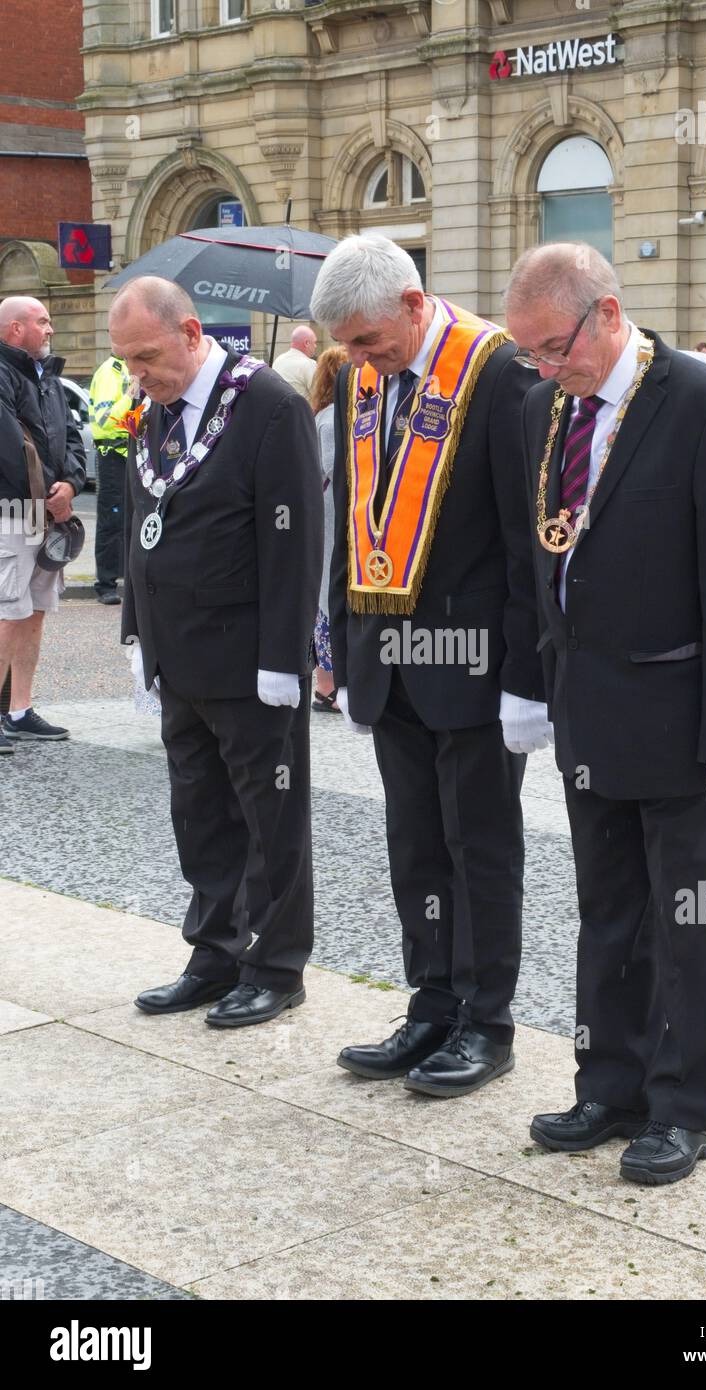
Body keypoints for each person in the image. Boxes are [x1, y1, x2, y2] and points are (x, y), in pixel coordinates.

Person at [504, 243, 706, 1186]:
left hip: (681, 708)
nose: (542, 367)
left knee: (689, 917)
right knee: (608, 911)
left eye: (552, 346)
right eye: (528, 353)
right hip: (588, 706)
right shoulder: (546, 409)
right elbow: (537, 561)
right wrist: (531, 689)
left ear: (607, 313)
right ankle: (608, 1084)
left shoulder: (704, 401)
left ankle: (685, 1109)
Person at [310, 235, 548, 1097]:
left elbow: (528, 544)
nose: (358, 361)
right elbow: (350, 524)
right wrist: (335, 646)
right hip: (389, 661)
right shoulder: (370, 374)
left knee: (477, 846)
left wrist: (529, 676)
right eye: (349, 349)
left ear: (413, 306)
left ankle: (487, 1022)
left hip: (477, 667)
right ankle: (432, 1002)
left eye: (369, 342)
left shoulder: (501, 372)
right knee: (414, 844)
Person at [111, 276, 323, 1027]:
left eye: (146, 355)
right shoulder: (155, 411)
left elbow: (295, 542)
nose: (138, 373)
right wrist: (137, 630)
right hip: (178, 656)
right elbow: (141, 522)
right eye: (128, 360)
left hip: (247, 658)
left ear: (191, 331)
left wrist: (283, 657)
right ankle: (213, 951)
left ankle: (275, 963)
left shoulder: (269, 405)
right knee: (199, 812)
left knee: (269, 820)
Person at [0, 296, 86, 753]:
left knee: (33, 614)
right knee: (6, 614)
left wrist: (70, 485)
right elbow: (9, 448)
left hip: (44, 513)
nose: (50, 329)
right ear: (15, 330)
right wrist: (49, 499)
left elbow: (70, 437)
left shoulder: (49, 378)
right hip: (12, 511)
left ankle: (19, 711)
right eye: (42, 321)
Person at [309, 345, 347, 713]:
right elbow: (333, 469)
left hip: (330, 520)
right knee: (327, 600)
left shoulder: (323, 415)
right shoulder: (332, 418)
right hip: (331, 519)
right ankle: (327, 684)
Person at [89, 352, 134, 605]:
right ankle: (105, 584)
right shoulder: (110, 372)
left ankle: (127, 578)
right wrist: (130, 395)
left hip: (129, 452)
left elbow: (132, 419)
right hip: (112, 455)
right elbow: (105, 421)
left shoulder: (129, 370)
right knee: (111, 520)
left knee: (131, 519)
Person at [272, 325, 318, 401]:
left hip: (279, 410)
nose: (315, 346)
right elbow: (319, 396)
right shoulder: (309, 364)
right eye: (314, 342)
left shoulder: (278, 361)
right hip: (302, 411)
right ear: (306, 343)